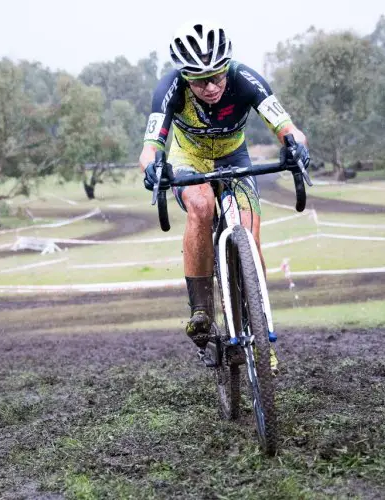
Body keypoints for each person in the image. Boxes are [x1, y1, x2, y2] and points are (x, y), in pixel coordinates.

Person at [138, 21, 310, 368]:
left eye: (217, 77)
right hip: (189, 159)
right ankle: (200, 309)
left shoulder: (245, 78)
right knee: (200, 205)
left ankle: (261, 336)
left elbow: (289, 129)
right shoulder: (170, 87)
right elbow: (150, 148)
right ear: (185, 77)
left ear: (227, 67)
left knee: (250, 233)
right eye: (200, 81)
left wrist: (295, 146)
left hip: (235, 157)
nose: (212, 86)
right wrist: (152, 166)